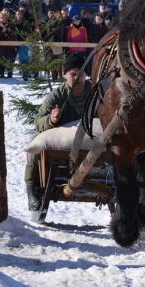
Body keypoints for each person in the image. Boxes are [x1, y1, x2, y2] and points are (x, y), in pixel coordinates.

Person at [24, 52, 92, 212]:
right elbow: (38, 120)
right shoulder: (56, 96)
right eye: (73, 74)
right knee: (32, 143)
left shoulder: (94, 91)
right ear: (65, 76)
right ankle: (31, 190)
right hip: (61, 143)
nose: (78, 78)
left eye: (81, 74)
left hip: (90, 140)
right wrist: (51, 120)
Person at [0, 12, 15, 79]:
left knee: (6, 59)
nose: (3, 19)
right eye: (2, 17)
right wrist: (2, 31)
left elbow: (13, 34)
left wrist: (9, 31)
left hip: (7, 45)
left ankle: (2, 73)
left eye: (5, 18)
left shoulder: (10, 25)